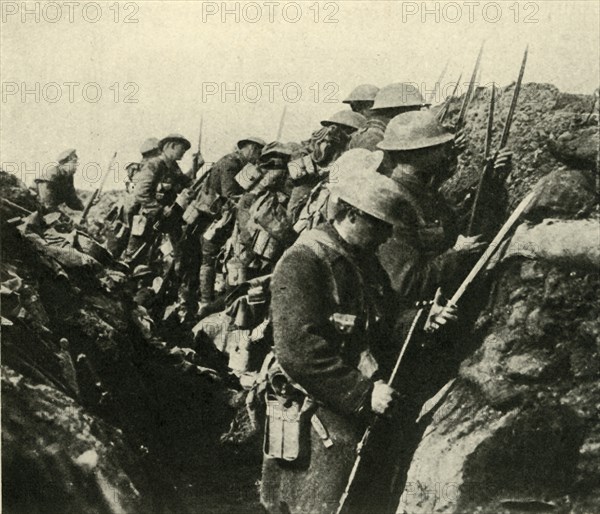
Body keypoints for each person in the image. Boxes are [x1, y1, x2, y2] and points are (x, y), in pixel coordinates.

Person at [261, 148, 456, 514]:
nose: (385, 238)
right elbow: (298, 349)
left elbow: (383, 317)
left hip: (361, 393)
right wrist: (362, 393)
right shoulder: (303, 261)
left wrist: (420, 320)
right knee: (326, 500)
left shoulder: (362, 259)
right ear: (350, 215)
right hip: (320, 402)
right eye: (379, 225)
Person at [376, 110, 511, 303]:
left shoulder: (423, 190)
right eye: (439, 147)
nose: (446, 152)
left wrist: (492, 182)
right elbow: (407, 284)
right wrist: (456, 255)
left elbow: (456, 227)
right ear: (419, 154)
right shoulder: (394, 204)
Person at [198, 137, 266, 310]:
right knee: (210, 258)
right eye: (258, 151)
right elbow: (230, 195)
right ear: (249, 148)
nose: (258, 156)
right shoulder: (231, 163)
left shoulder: (236, 162)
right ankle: (206, 301)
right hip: (217, 218)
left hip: (220, 216)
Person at [123, 133, 192, 266]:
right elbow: (141, 192)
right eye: (182, 148)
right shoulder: (154, 165)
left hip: (167, 218)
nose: (184, 152)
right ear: (172, 146)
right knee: (135, 256)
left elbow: (185, 182)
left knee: (174, 252)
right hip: (148, 216)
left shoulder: (173, 167)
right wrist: (159, 209)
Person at [35, 149, 84, 213]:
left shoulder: (68, 176)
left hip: (50, 211)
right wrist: (63, 217)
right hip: (36, 210)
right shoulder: (50, 177)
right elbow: (47, 205)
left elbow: (72, 200)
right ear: (64, 163)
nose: (76, 166)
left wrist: (85, 206)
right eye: (74, 162)